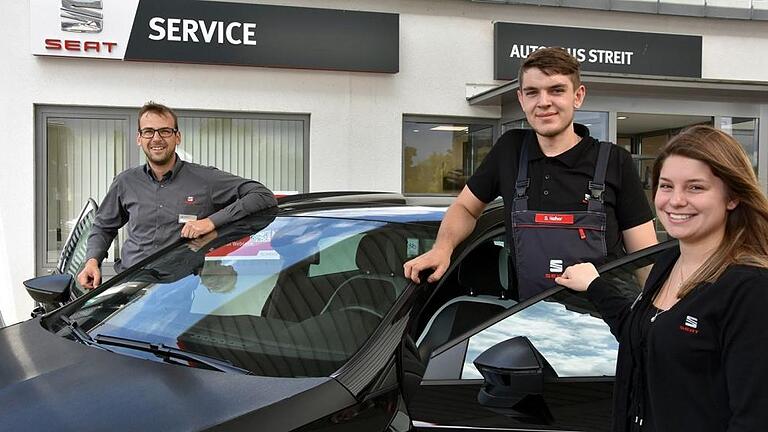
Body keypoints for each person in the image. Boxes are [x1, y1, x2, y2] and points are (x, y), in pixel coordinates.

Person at [556, 125, 768, 431]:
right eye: (666, 186)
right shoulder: (667, 262)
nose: (675, 201)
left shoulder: (750, 289)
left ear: (732, 197)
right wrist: (594, 284)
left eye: (695, 187)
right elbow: (642, 331)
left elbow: (754, 419)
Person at [404, 47, 657, 299]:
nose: (544, 102)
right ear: (521, 99)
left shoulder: (615, 161)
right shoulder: (510, 150)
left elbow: (645, 256)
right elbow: (465, 208)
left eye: (556, 90)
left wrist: (658, 318)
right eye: (532, 92)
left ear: (578, 96)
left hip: (602, 327)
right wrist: (442, 248)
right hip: (528, 321)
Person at [77, 101, 277, 289]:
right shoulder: (125, 182)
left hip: (177, 292)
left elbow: (261, 196)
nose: (156, 138)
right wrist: (92, 262)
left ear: (177, 137)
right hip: (130, 286)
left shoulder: (205, 179)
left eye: (164, 131)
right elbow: (103, 226)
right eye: (148, 132)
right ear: (139, 139)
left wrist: (210, 222)